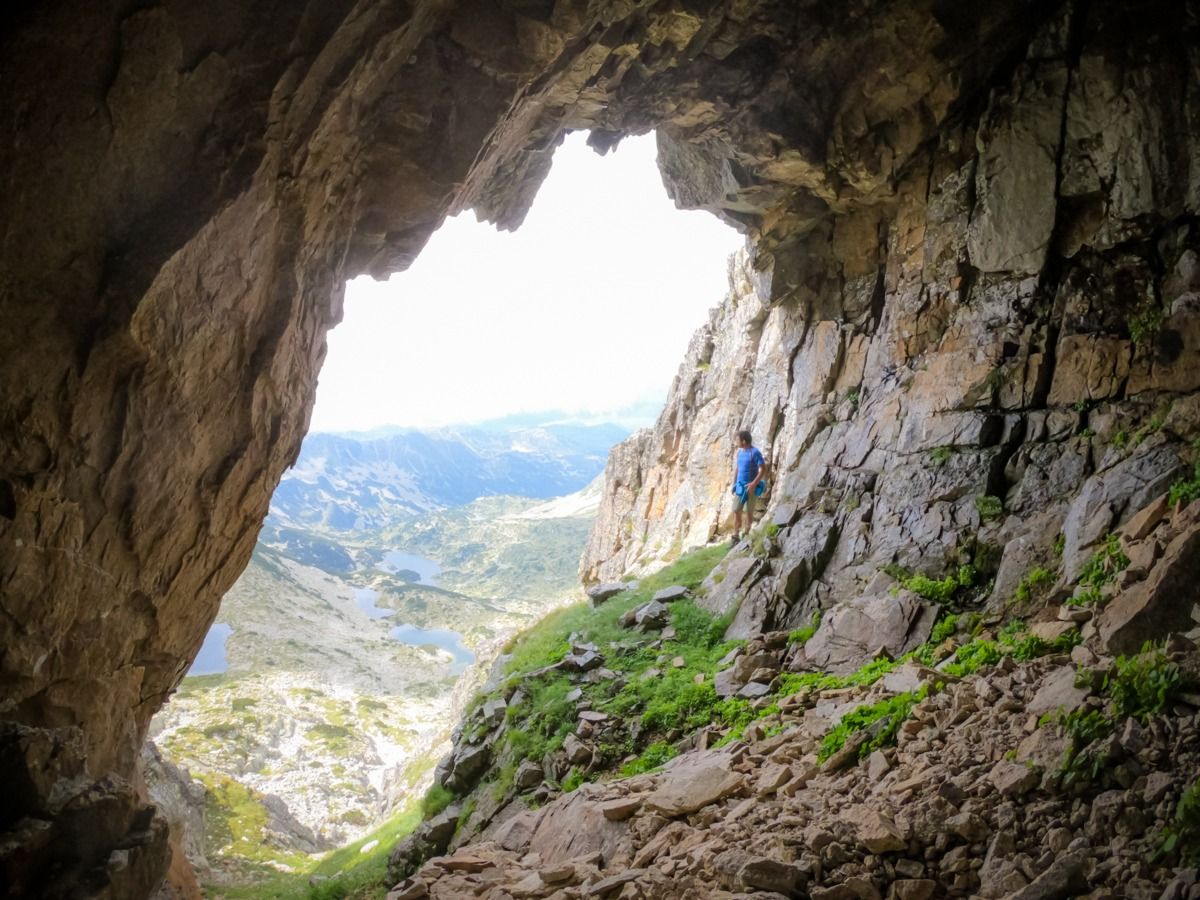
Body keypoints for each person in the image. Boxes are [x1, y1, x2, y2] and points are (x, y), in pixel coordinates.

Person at [730, 429, 768, 543]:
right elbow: (737, 469)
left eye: (737, 440)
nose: (736, 442)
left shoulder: (755, 452)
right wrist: (734, 484)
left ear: (744, 441)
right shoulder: (740, 453)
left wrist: (754, 484)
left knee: (749, 512)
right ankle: (735, 536)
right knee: (736, 510)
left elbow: (763, 469)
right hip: (740, 487)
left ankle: (746, 534)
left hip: (751, 488)